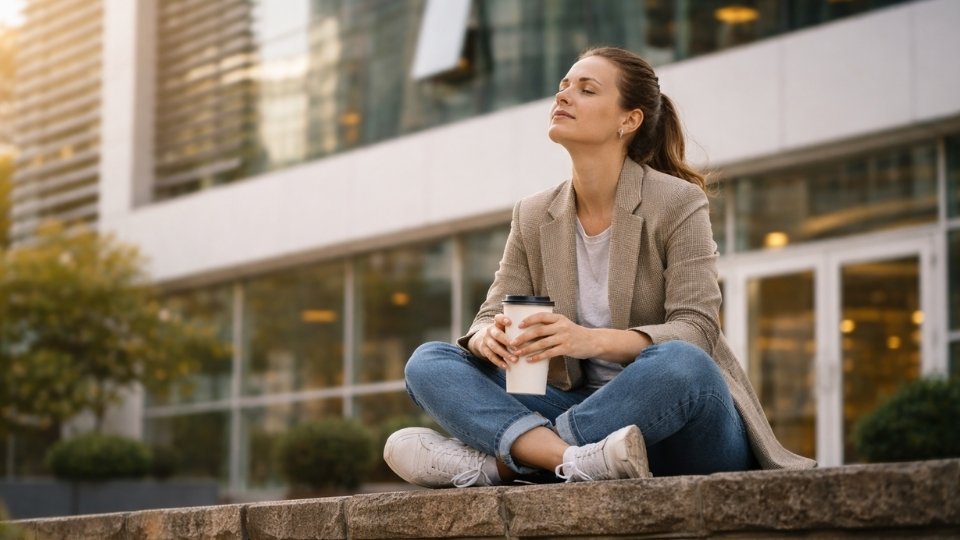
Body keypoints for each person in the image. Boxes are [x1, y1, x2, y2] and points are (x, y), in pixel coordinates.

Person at [383, 46, 816, 488]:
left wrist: (587, 340)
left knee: (684, 363)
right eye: (563, 87)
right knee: (430, 362)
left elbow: (696, 329)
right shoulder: (533, 214)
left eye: (586, 90)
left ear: (628, 120)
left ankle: (510, 463)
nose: (564, 96)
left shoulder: (677, 202)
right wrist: (485, 339)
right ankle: (575, 461)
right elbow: (490, 314)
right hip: (577, 408)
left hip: (679, 422)